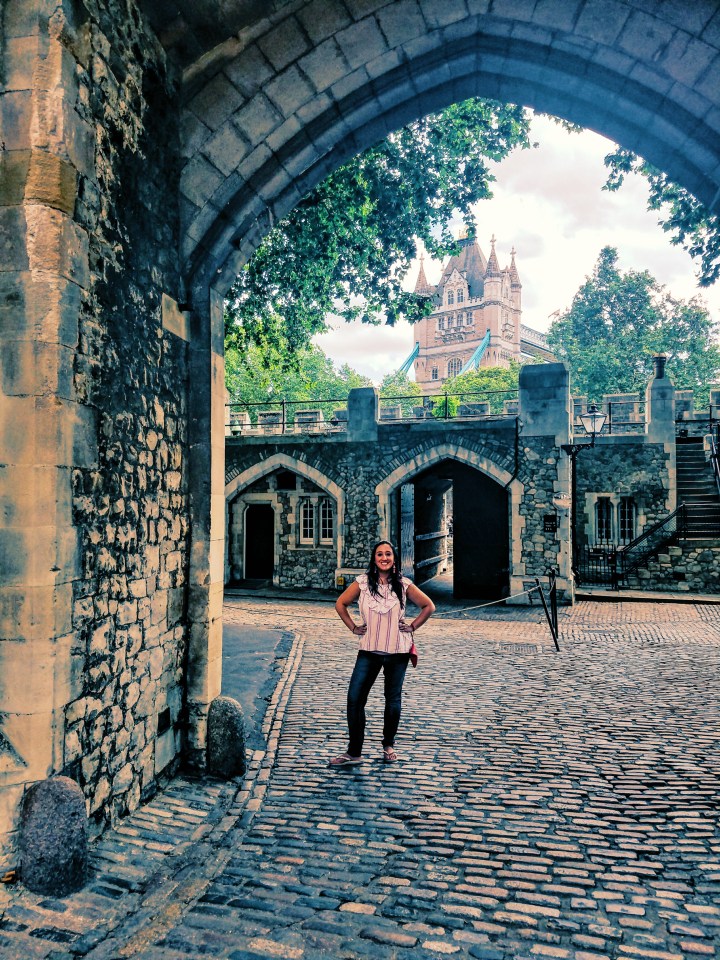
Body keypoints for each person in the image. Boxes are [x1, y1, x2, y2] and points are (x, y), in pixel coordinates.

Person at [330, 540, 435, 766]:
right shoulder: (362, 583)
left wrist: (413, 626)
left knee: (392, 700)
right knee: (355, 699)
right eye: (380, 554)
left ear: (394, 558)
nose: (384, 558)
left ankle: (388, 745)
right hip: (369, 650)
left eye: (388, 554)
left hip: (398, 651)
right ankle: (354, 752)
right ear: (374, 558)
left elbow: (429, 606)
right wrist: (353, 627)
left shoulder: (405, 584)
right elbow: (341, 604)